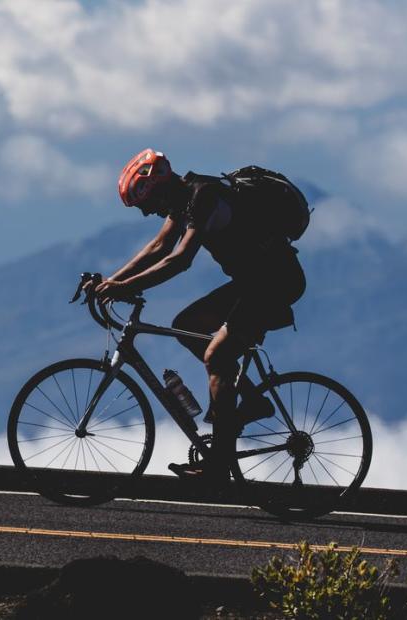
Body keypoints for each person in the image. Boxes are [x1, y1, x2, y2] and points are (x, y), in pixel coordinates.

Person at [94, 148, 306, 482]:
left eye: (147, 205)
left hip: (275, 281)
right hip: (253, 281)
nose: (148, 213)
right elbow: (158, 248)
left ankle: (218, 465)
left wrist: (123, 288)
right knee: (186, 326)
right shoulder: (185, 199)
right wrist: (112, 282)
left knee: (217, 356)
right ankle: (249, 400)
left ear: (159, 188)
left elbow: (179, 259)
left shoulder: (204, 195)